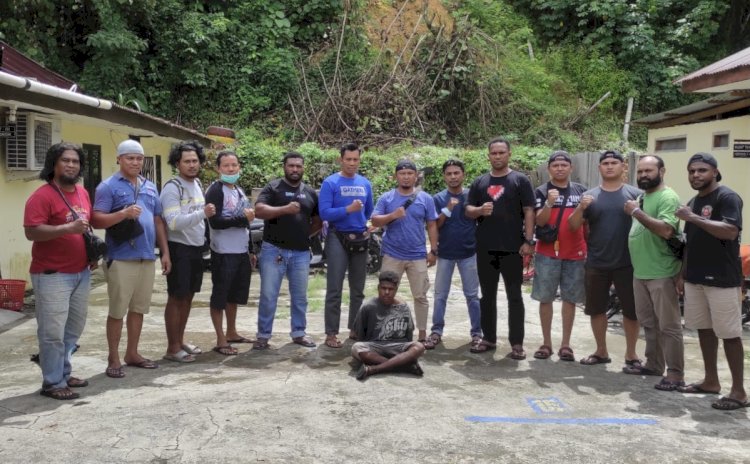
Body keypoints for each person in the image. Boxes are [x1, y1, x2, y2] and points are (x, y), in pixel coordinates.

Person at [92, 139, 171, 378]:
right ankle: (113, 357)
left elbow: (157, 220)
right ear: (119, 159)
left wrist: (165, 252)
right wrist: (123, 213)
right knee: (118, 310)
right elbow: (96, 219)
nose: (135, 162)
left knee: (139, 309)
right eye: (130, 157)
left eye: (139, 158)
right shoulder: (107, 186)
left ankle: (132, 353)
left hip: (147, 255)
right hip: (121, 257)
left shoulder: (149, 186)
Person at [675, 153, 747, 410]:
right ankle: (710, 381)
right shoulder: (694, 201)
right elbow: (689, 242)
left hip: (722, 280)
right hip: (695, 278)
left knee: (729, 334)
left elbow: (730, 231)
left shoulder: (727, 197)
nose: (696, 175)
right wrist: (682, 275)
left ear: (715, 172)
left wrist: (692, 217)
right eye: (692, 171)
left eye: (702, 170)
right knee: (704, 330)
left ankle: (738, 392)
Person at [24, 143, 94, 399]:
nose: (71, 165)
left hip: (81, 272)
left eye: (75, 161)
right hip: (52, 274)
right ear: (53, 164)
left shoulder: (82, 193)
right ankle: (52, 382)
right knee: (52, 331)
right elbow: (31, 231)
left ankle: (63, 372)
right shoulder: (42, 196)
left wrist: (90, 253)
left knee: (73, 328)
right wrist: (66, 230)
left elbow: (86, 225)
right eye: (65, 160)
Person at [568, 150, 642, 369]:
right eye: (605, 163)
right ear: (599, 168)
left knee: (631, 310)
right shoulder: (589, 196)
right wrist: (581, 207)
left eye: (614, 163)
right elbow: (573, 226)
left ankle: (631, 354)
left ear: (623, 167)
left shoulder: (636, 195)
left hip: (628, 262)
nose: (609, 166)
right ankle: (601, 351)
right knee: (596, 309)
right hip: (597, 262)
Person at [465, 138, 536, 359]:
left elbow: (529, 211)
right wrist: (479, 210)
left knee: (514, 296)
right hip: (485, 248)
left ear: (509, 154)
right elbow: (468, 210)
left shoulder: (520, 180)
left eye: (501, 152)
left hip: (513, 248)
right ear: (488, 155)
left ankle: (517, 343)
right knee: (487, 296)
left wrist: (529, 241)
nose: (497, 156)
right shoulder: (480, 182)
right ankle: (488, 338)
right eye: (493, 153)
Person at [623, 155, 684, 389]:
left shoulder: (667, 196)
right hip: (642, 272)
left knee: (669, 326)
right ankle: (654, 364)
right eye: (640, 172)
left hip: (662, 271)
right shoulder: (641, 197)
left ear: (662, 171)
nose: (643, 175)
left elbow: (667, 230)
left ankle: (676, 374)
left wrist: (636, 213)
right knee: (649, 322)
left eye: (648, 170)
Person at [253, 152, 321, 350]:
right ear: (284, 167)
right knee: (268, 295)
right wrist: (284, 209)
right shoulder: (273, 188)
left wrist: (303, 235)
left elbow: (317, 221)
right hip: (274, 250)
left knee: (300, 297)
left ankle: (299, 332)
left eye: (298, 166)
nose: (295, 169)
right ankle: (263, 335)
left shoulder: (309, 192)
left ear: (303, 168)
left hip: (300, 252)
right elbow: (259, 211)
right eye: (291, 166)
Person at [160, 140, 216, 363]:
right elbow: (173, 223)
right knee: (176, 297)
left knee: (188, 297)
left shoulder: (197, 184)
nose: (192, 165)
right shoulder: (173, 188)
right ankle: (172, 348)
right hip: (179, 248)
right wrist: (203, 213)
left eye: (195, 161)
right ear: (177, 163)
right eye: (187, 161)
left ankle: (180, 340)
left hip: (195, 249)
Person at [371, 159, 438, 343]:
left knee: (420, 296)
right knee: (386, 294)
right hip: (392, 254)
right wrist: (393, 215)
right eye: (402, 173)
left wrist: (433, 250)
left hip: (417, 255)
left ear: (416, 176)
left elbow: (432, 225)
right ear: (396, 176)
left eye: (410, 174)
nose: (406, 177)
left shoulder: (426, 199)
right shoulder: (387, 198)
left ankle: (423, 335)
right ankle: (382, 332)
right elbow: (375, 221)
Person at [531, 151, 587, 362]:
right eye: (556, 166)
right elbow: (540, 222)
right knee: (545, 298)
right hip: (547, 253)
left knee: (570, 299)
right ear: (549, 169)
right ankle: (546, 343)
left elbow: (583, 224)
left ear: (571, 168)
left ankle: (566, 344)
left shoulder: (581, 191)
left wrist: (581, 206)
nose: (560, 168)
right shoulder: (541, 191)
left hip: (575, 252)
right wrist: (548, 203)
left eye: (564, 165)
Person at [319, 142, 374, 348]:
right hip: (336, 237)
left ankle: (355, 328)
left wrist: (366, 224)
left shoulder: (365, 183)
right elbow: (325, 213)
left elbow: (369, 211)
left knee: (358, 288)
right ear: (340, 159)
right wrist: (347, 210)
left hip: (360, 238)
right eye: (348, 159)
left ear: (360, 160)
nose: (352, 163)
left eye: (355, 159)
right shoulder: (330, 183)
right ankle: (331, 333)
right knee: (334, 287)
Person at [423, 159, 481, 349]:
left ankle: (477, 334)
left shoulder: (472, 196)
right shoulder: (438, 198)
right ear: (444, 176)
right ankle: (436, 332)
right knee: (440, 295)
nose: (453, 177)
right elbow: (434, 225)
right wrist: (447, 209)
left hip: (469, 252)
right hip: (445, 253)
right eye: (449, 174)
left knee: (472, 295)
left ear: (463, 174)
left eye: (457, 173)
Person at [205, 150, 256, 355]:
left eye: (234, 165)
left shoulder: (239, 191)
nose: (231, 169)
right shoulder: (216, 191)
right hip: (223, 251)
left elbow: (248, 224)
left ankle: (232, 332)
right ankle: (220, 339)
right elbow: (215, 222)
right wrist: (244, 220)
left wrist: (251, 249)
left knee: (234, 295)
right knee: (220, 295)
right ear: (218, 169)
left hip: (241, 251)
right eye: (226, 165)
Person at [351, 270, 426, 381]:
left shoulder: (403, 307)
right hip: (376, 347)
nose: (386, 292)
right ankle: (403, 366)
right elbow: (361, 336)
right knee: (356, 347)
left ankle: (374, 369)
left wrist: (406, 351)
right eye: (383, 288)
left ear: (396, 290)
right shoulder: (367, 307)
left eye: (390, 289)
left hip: (398, 347)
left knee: (419, 347)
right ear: (378, 288)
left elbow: (408, 337)